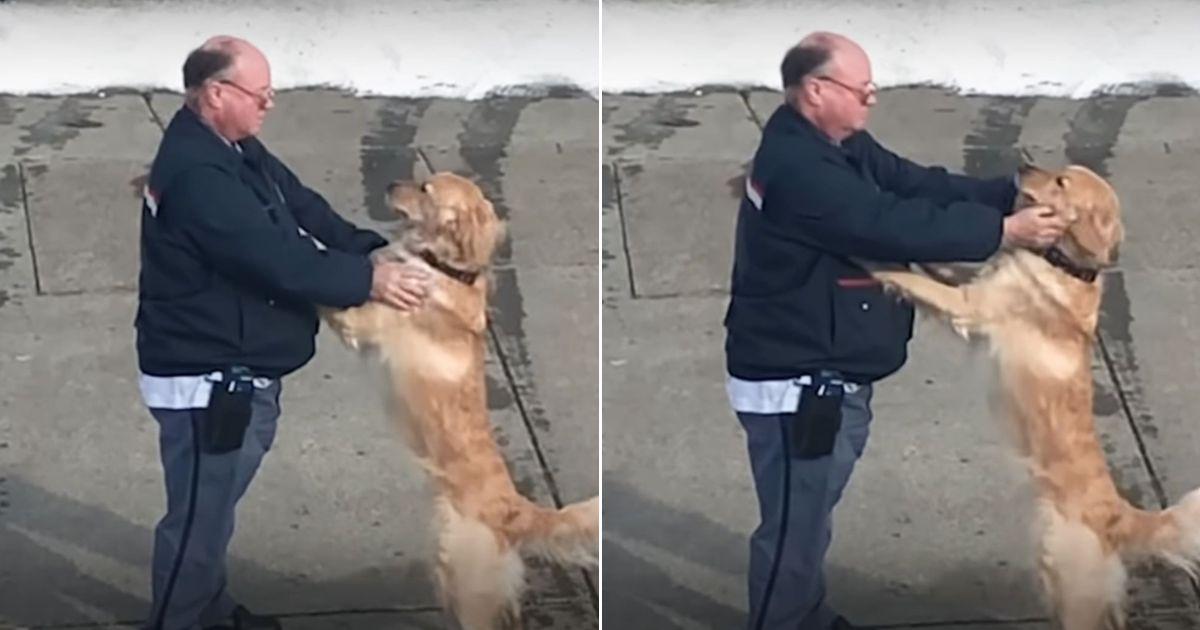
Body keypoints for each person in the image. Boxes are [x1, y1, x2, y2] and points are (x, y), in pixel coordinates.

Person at [722, 32, 1069, 630]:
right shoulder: (799, 168)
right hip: (799, 386)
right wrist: (1003, 233)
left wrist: (1008, 196)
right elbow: (891, 225)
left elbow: (914, 184)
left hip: (824, 373)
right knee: (793, 529)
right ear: (816, 91)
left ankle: (805, 616)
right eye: (863, 89)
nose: (873, 99)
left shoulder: (836, 141)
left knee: (808, 517)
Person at [135, 36, 429, 630]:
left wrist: (372, 253)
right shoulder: (199, 177)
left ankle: (211, 611)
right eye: (260, 95)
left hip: (238, 374)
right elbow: (282, 262)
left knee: (212, 514)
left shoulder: (230, 145)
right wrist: (370, 283)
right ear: (216, 94)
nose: (269, 105)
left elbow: (304, 208)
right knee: (196, 523)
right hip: (210, 384)